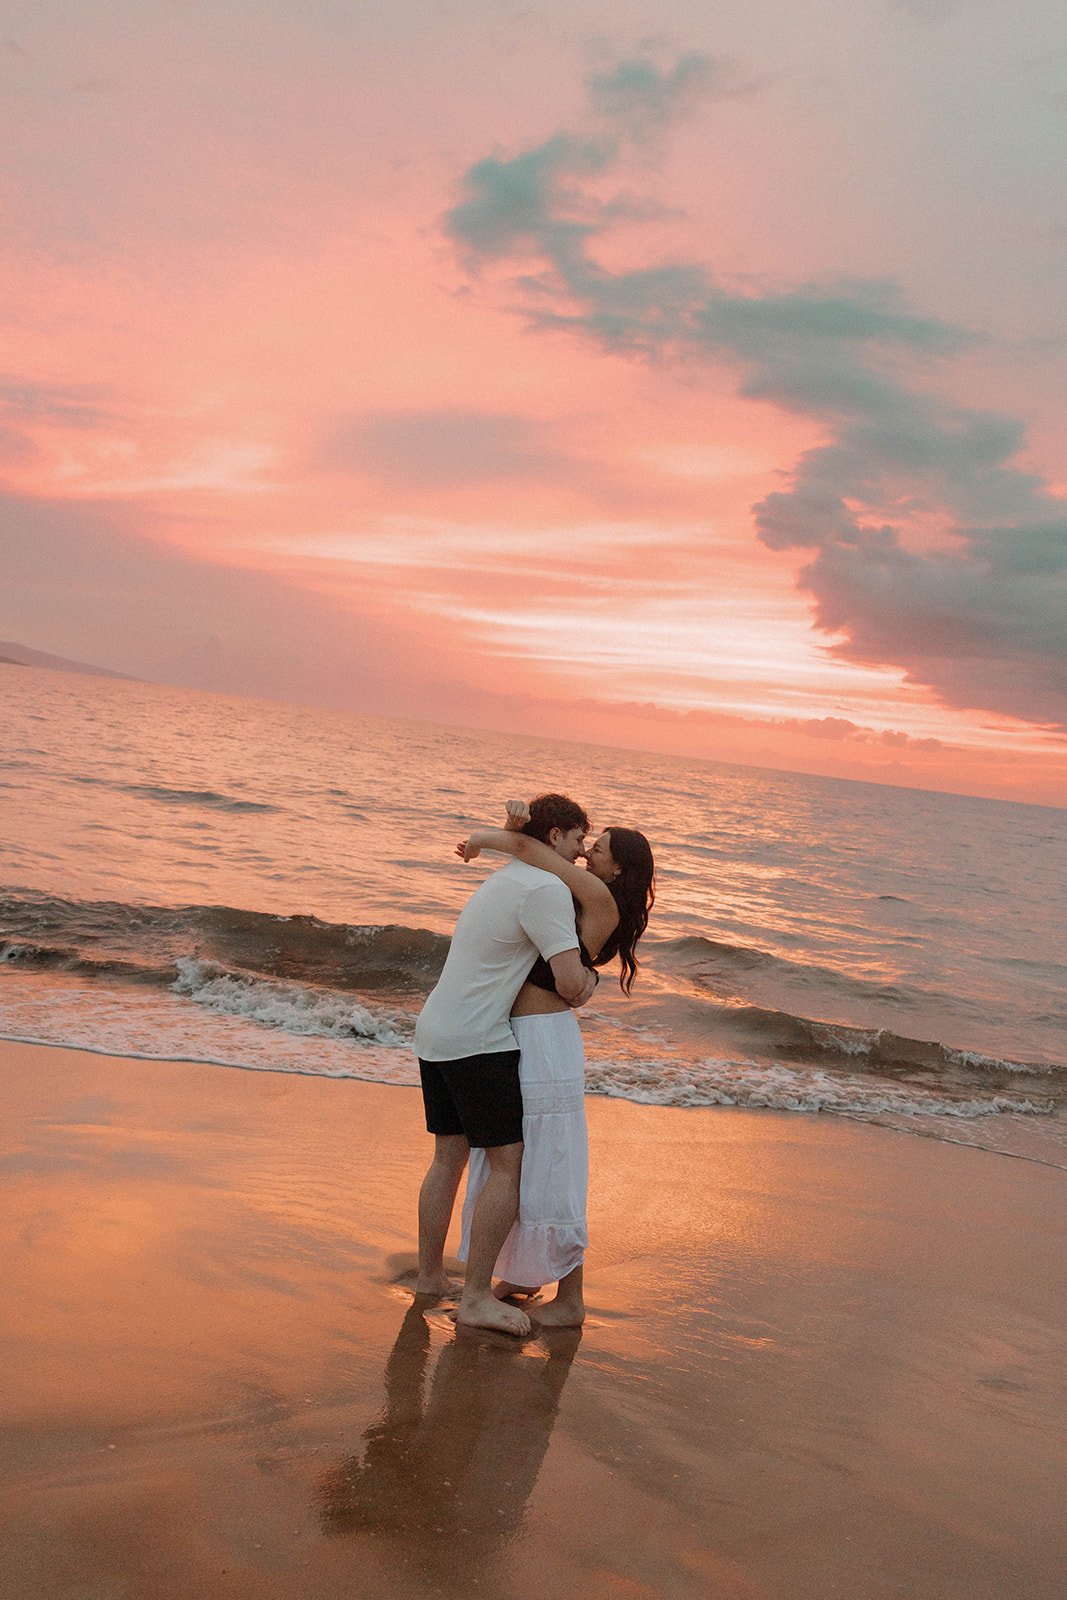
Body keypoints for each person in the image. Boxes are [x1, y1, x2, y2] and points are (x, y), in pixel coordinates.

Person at [456, 799, 656, 1327]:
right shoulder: (578, 890)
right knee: (526, 1159)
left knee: (549, 1163)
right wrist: (505, 830)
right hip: (525, 1033)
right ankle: (522, 1274)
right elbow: (531, 861)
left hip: (545, 1041)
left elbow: (531, 850)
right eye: (588, 842)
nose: (590, 850)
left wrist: (485, 838)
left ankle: (571, 1300)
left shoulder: (598, 899)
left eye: (601, 848)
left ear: (619, 868)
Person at [413, 794, 597, 1337]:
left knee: (449, 1158)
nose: (582, 855)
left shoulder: (506, 877)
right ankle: (475, 1298)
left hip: (436, 1029)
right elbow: (567, 980)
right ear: (557, 836)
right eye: (579, 840)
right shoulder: (546, 889)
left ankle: (429, 1278)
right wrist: (590, 984)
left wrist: (498, 833)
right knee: (509, 1166)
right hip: (478, 1038)